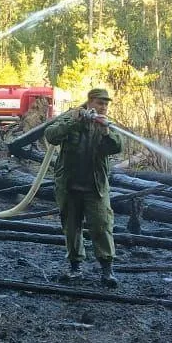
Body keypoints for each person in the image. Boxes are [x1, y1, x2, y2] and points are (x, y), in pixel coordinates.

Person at [44, 88, 123, 285]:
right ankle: (75, 267)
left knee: (102, 225)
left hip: (95, 187)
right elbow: (51, 135)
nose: (103, 107)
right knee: (71, 228)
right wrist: (74, 122)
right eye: (99, 103)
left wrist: (106, 131)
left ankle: (107, 271)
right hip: (69, 186)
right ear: (89, 103)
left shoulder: (106, 125)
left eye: (105, 104)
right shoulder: (72, 118)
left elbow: (117, 146)